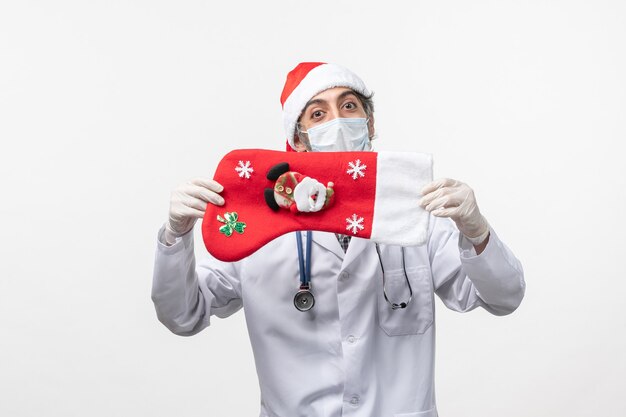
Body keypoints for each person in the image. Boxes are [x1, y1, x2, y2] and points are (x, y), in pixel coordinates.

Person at [152, 62, 525, 417]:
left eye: (349, 106)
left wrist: (475, 231)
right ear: (297, 140)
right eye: (317, 114)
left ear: (370, 122)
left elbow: (504, 297)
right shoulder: (259, 223)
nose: (338, 121)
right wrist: (176, 235)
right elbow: (183, 316)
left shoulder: (411, 209)